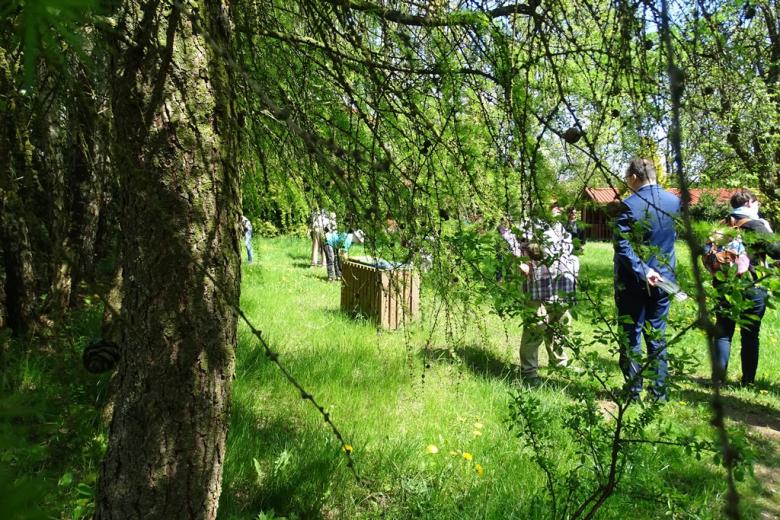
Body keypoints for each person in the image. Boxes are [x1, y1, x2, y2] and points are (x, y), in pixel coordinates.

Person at [613, 157, 680, 401]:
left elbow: (622, 246)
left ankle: (633, 391)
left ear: (633, 177)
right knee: (657, 334)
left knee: (631, 334)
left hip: (633, 281)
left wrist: (643, 271)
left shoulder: (629, 205)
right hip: (664, 279)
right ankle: (659, 392)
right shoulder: (674, 202)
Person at [499, 207, 579, 385]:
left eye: (560, 205)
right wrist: (519, 260)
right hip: (539, 285)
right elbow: (506, 233)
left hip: (563, 286)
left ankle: (559, 363)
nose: (559, 208)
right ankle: (529, 373)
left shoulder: (561, 226)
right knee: (535, 329)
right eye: (554, 204)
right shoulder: (530, 224)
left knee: (560, 328)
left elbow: (575, 245)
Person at [713, 189, 780, 386]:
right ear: (750, 203)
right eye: (757, 203)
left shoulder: (723, 223)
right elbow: (775, 251)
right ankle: (748, 381)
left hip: (724, 283)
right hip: (751, 284)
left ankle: (718, 379)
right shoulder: (757, 225)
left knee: (723, 332)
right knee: (750, 334)